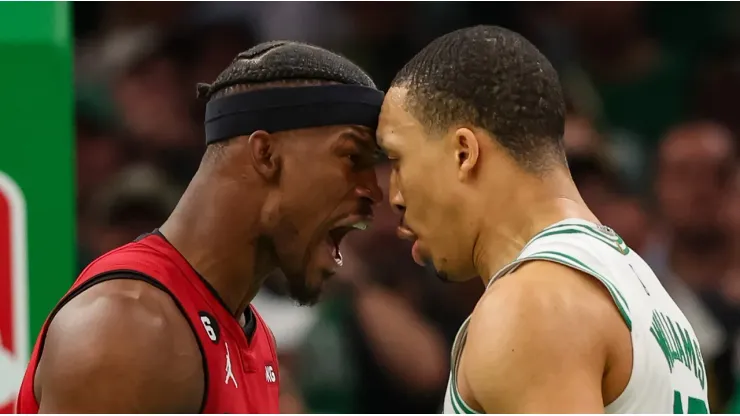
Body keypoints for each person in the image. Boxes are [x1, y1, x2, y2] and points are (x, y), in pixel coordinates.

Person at [17, 41, 383, 413]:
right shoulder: (130, 328)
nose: (374, 190)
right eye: (352, 156)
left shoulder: (250, 335)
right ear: (266, 155)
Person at [375, 25, 709, 413]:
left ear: (463, 152)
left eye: (398, 160)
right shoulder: (644, 287)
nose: (394, 196)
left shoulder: (530, 306)